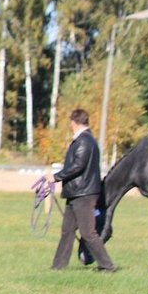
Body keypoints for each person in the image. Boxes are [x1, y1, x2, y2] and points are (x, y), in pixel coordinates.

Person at [48, 108, 118, 272]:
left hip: (83, 193)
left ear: (73, 122)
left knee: (88, 233)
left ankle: (107, 266)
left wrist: (56, 177)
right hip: (76, 193)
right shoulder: (85, 140)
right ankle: (58, 266)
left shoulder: (84, 141)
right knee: (67, 231)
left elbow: (78, 166)